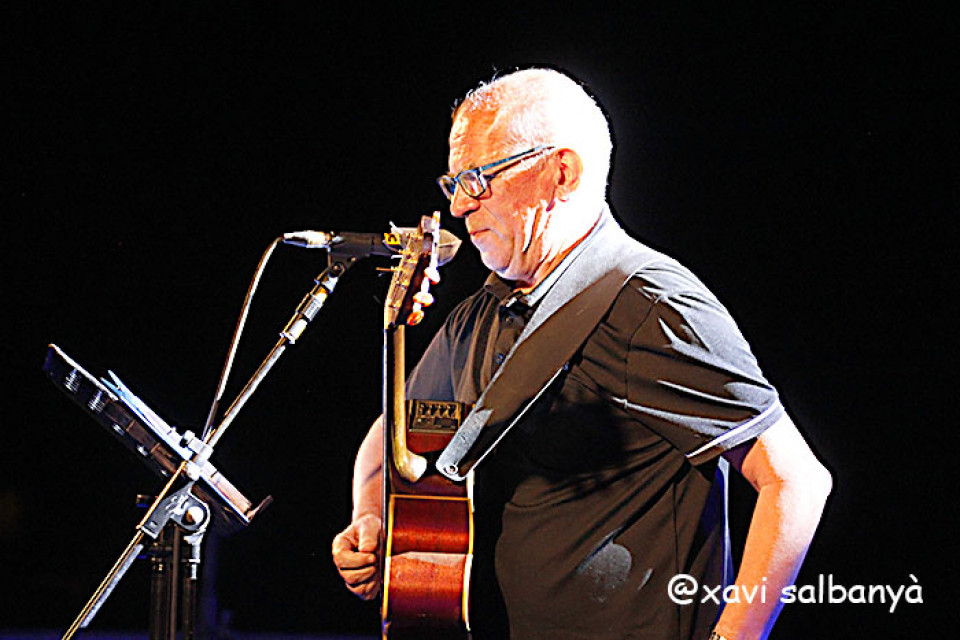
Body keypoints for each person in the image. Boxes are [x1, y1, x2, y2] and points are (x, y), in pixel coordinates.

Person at [331, 67, 832, 639]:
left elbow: (796, 481)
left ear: (562, 173)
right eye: (453, 184)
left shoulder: (654, 305)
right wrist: (370, 516)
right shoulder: (481, 312)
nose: (460, 206)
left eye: (478, 179)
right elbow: (392, 432)